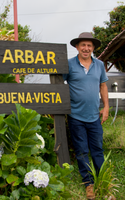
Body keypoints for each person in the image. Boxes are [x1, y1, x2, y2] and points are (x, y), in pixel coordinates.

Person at [63, 32, 109, 200]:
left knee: (97, 149)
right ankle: (88, 184)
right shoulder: (68, 65)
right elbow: (57, 84)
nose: (86, 48)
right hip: (76, 116)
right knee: (82, 151)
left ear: (93, 48)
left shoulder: (100, 65)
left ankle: (102, 180)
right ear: (77, 47)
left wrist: (106, 107)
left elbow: (103, 86)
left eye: (89, 46)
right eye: (83, 45)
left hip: (94, 116)